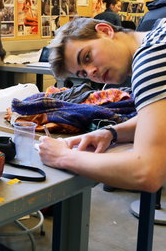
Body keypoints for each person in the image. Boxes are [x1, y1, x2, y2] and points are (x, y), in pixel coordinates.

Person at [38, 16, 166, 193]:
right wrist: (112, 132)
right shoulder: (160, 34)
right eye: (83, 74)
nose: (91, 72)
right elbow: (158, 119)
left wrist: (62, 156)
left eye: (87, 56)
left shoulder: (151, 58)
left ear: (106, 31)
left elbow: (147, 173)